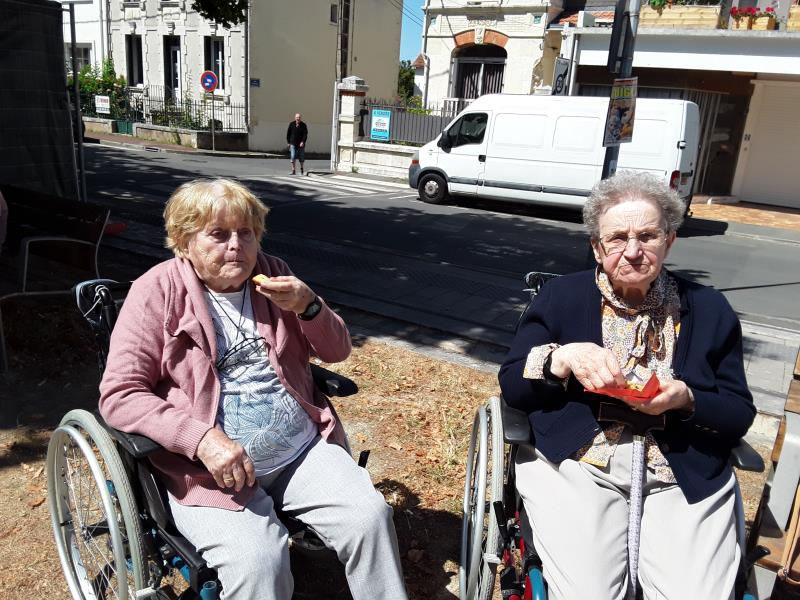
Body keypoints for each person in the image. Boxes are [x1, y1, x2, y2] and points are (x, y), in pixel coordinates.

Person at [99, 178, 407, 600]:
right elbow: (120, 394)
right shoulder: (155, 292)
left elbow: (337, 351)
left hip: (300, 451)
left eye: (246, 233)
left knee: (369, 517)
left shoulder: (273, 273)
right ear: (184, 242)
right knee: (259, 563)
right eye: (218, 234)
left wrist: (310, 307)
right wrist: (201, 439)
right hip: (210, 475)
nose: (236, 246)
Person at [499, 171, 755, 600]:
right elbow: (513, 384)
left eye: (648, 236)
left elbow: (738, 412)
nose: (633, 251)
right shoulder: (560, 297)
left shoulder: (711, 310)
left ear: (669, 241)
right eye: (617, 238)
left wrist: (688, 399)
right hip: (579, 464)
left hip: (680, 469)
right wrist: (563, 358)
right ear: (597, 247)